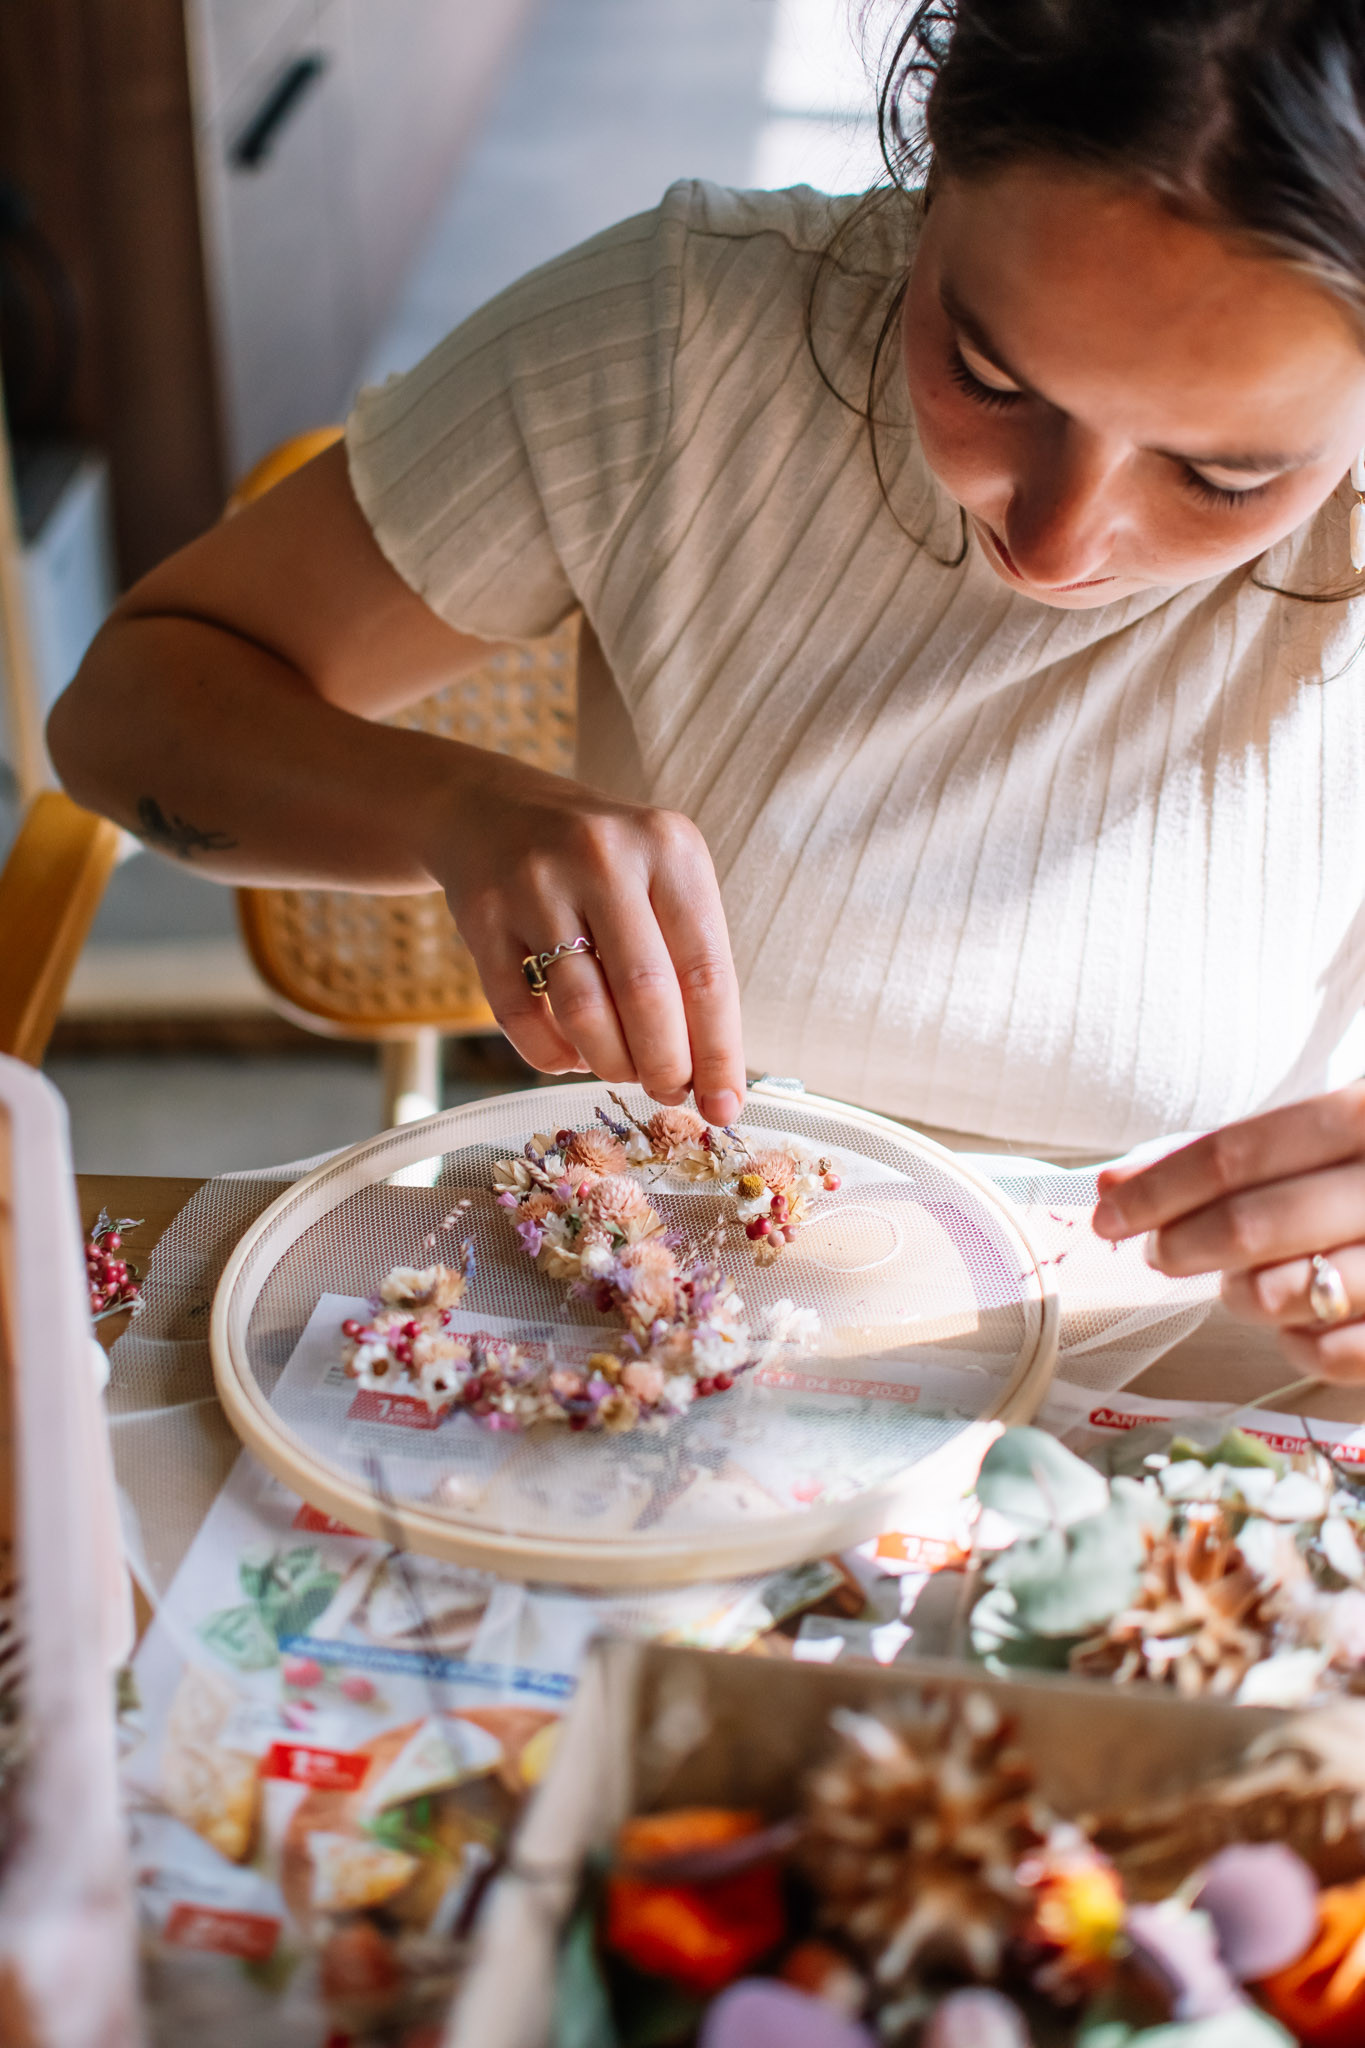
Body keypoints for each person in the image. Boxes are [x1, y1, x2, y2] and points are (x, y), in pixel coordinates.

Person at [47, 0, 1365, 1382]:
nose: (1051, 542)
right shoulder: (693, 338)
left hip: (1195, 1390)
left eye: (1224, 474)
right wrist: (459, 807)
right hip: (661, 1345)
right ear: (928, 160)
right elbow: (125, 711)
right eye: (986, 376)